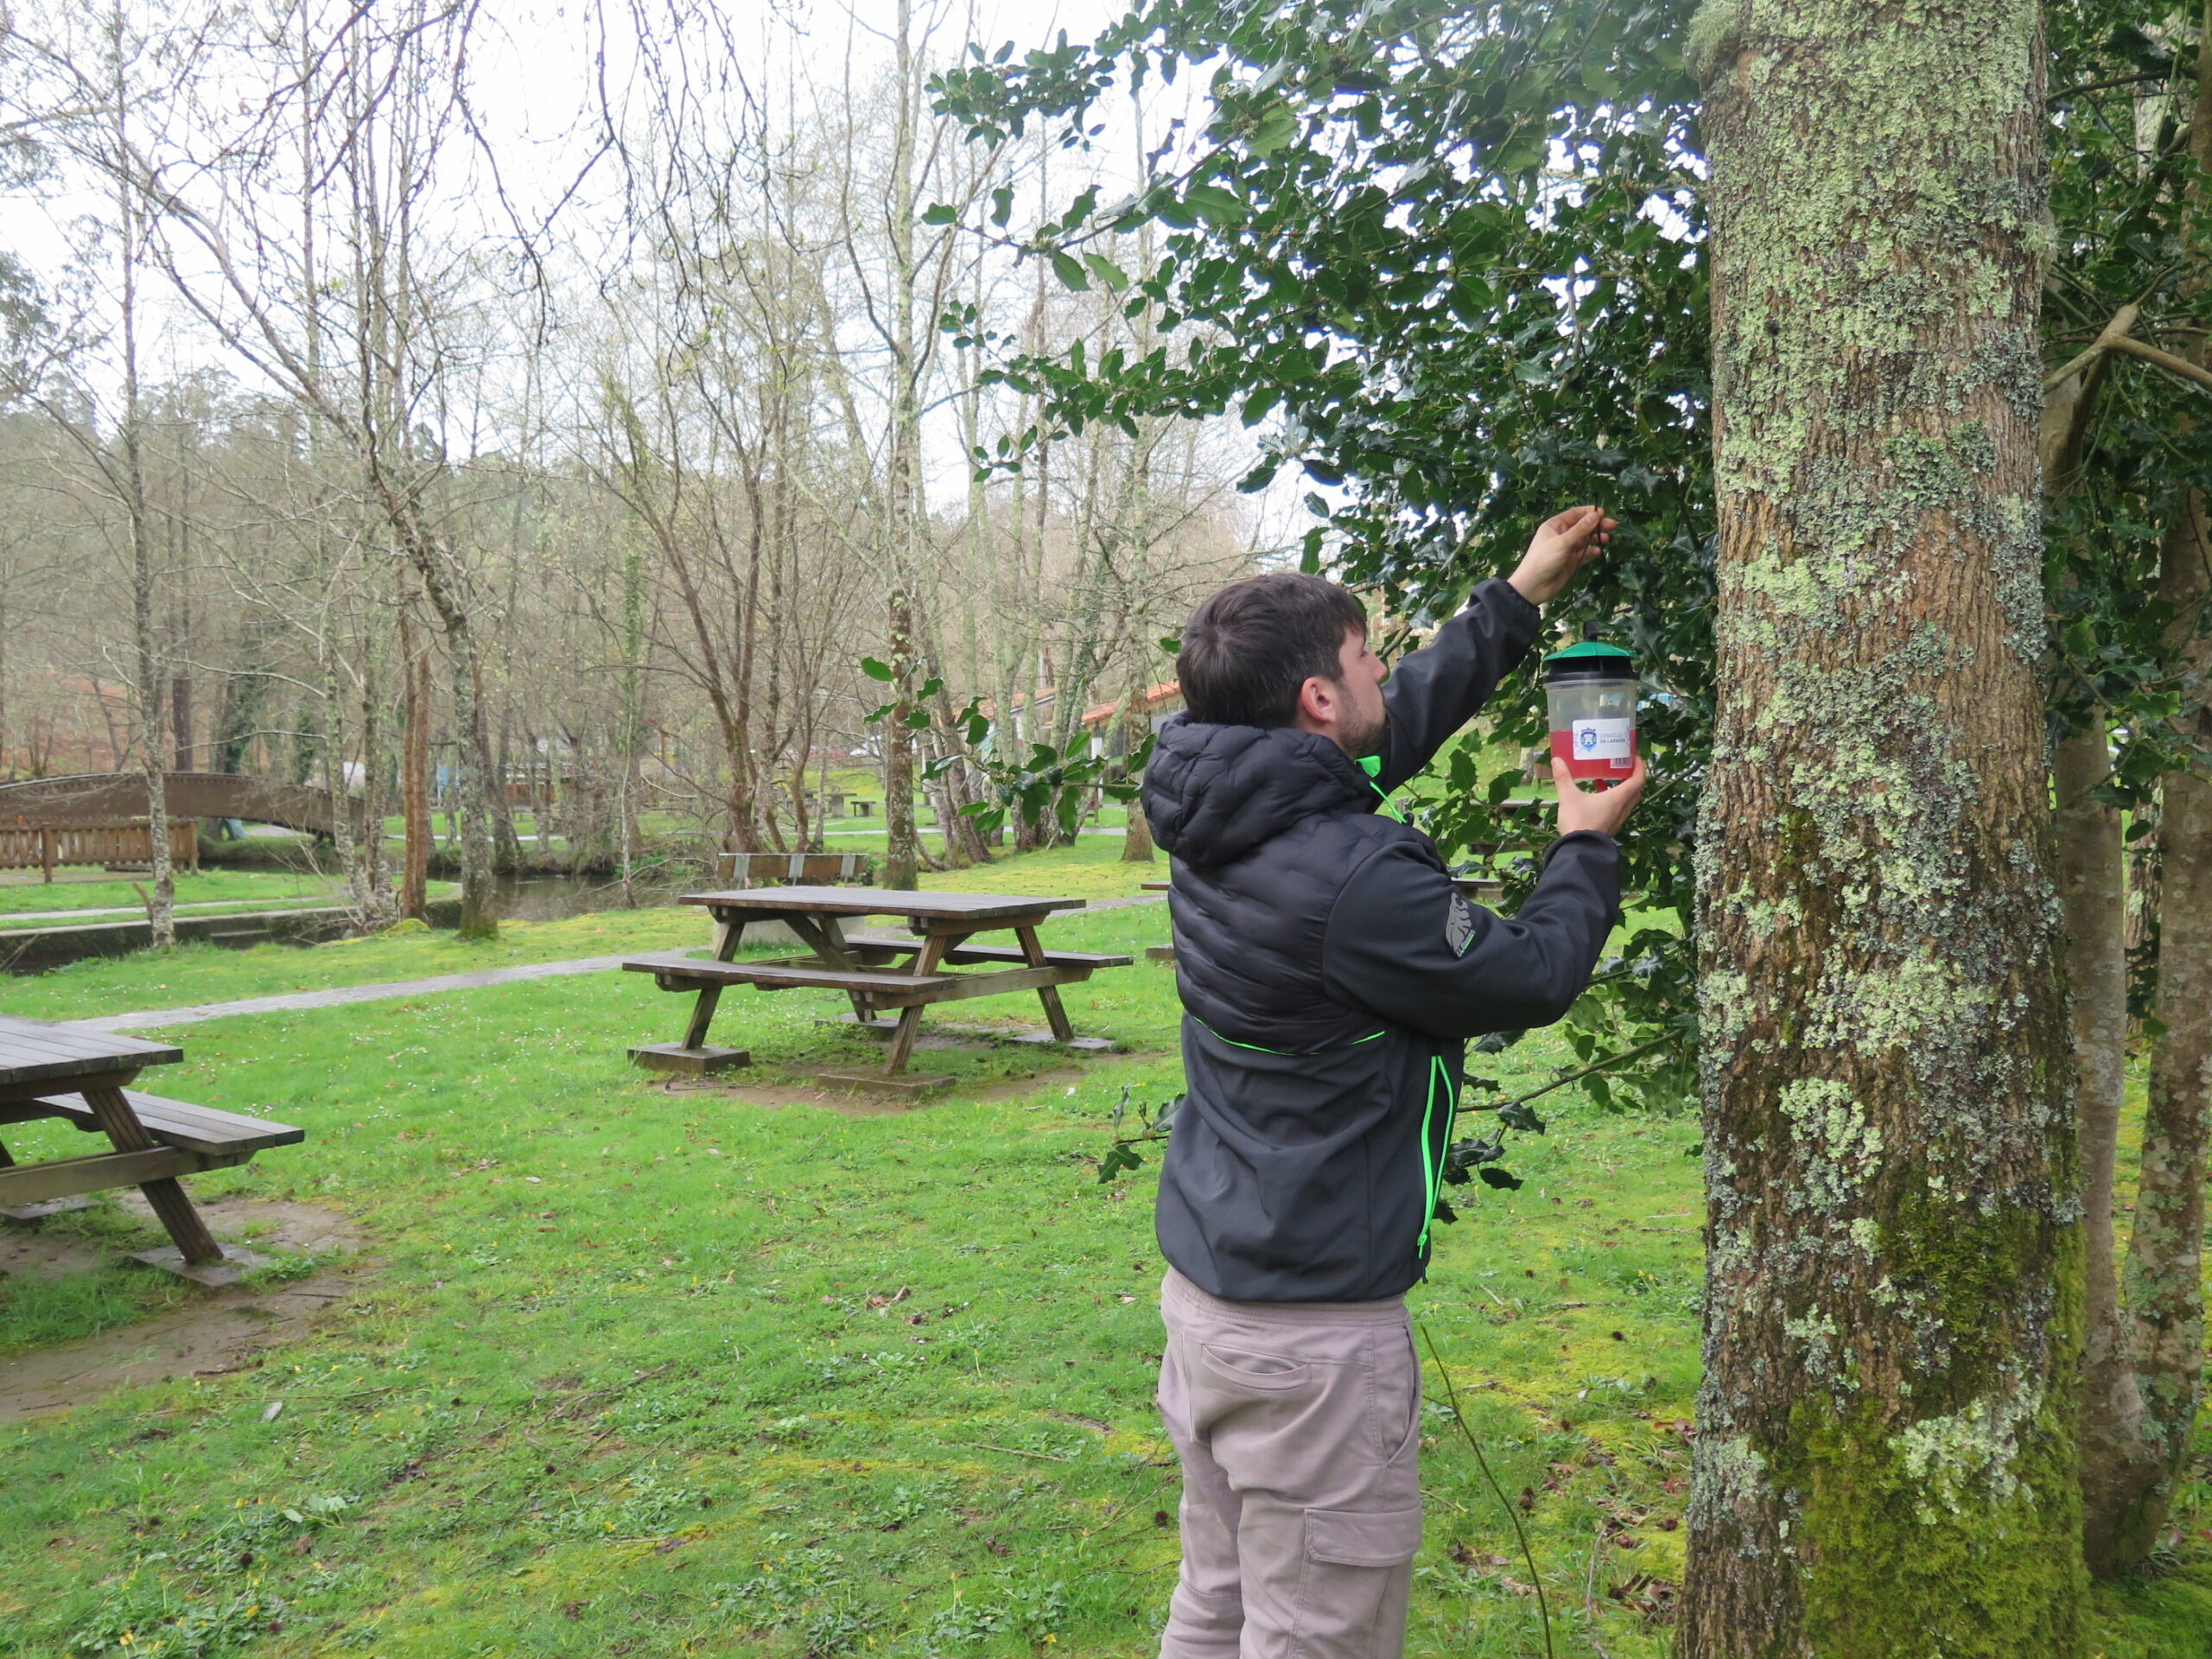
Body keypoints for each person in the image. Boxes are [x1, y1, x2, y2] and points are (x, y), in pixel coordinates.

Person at [1138, 506, 1645, 1659]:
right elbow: (1528, 974)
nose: (1383, 673)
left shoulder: (1216, 797)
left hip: (1213, 1297)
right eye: (1368, 655)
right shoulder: (1357, 884)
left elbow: (1386, 726)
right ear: (1317, 700)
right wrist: (1584, 842)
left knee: (1216, 1603)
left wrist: (1520, 596)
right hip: (1312, 1344)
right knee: (1316, 1635)